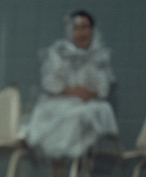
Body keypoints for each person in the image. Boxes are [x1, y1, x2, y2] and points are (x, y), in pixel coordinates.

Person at [20, 11, 118, 161]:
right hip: (64, 100)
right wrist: (73, 91)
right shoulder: (59, 52)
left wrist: (87, 94)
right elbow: (49, 82)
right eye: (77, 28)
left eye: (85, 27)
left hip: (90, 105)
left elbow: (102, 89)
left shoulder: (100, 56)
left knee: (77, 115)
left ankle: (72, 164)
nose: (81, 33)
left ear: (92, 30)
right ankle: (45, 151)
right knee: (44, 111)